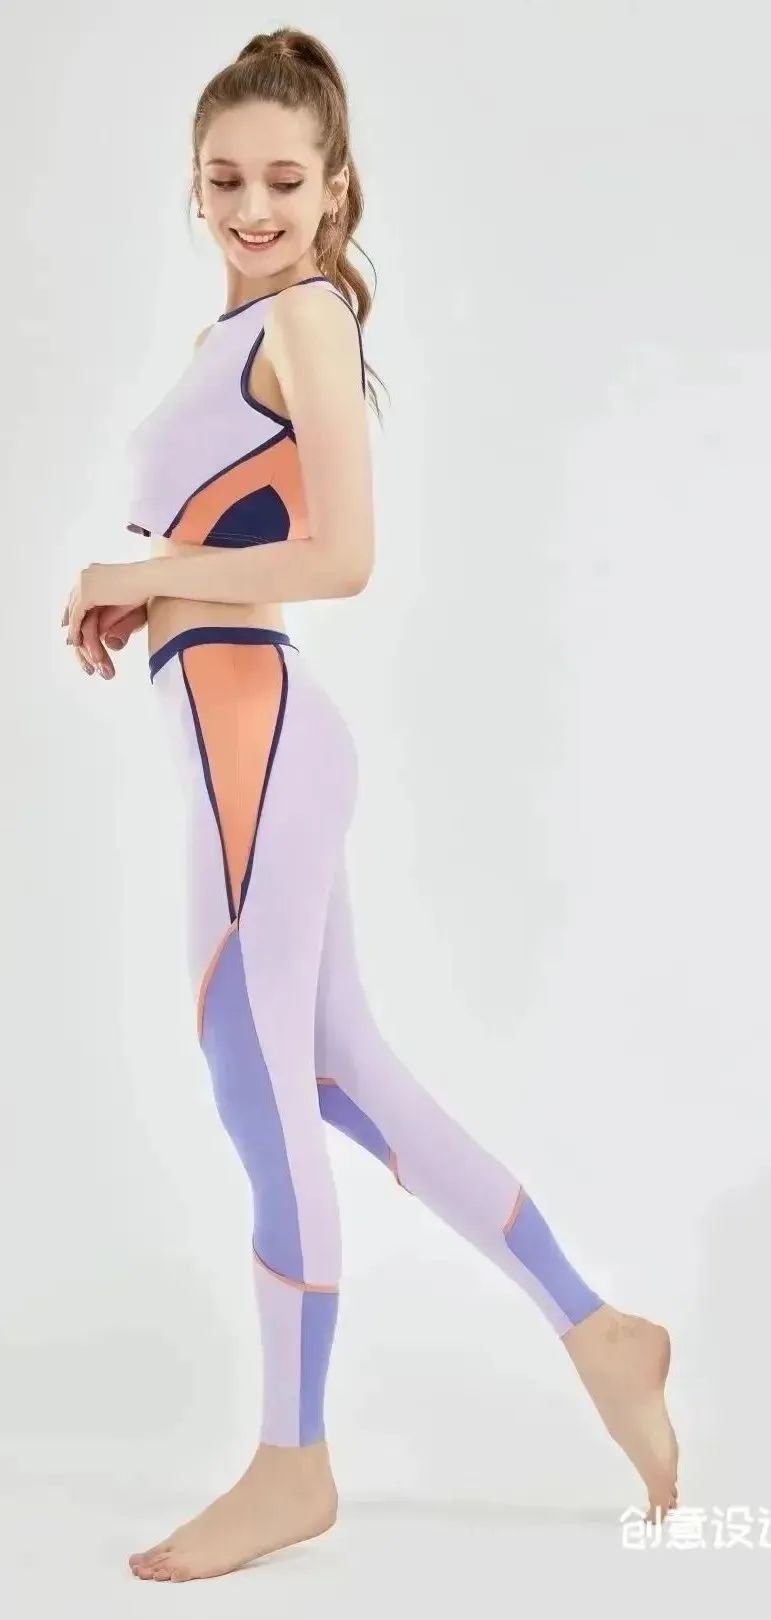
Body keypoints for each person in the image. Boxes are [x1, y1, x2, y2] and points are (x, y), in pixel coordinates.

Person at [62, 27, 678, 1586]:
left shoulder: (307, 317)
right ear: (193, 184)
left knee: (259, 1088)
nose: (252, 207)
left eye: (284, 179)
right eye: (224, 180)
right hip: (248, 733)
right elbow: (241, 534)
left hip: (256, 744)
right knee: (338, 1081)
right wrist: (151, 590)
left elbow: (343, 556)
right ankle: (600, 1330)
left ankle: (294, 1463)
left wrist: (142, 568)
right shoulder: (241, 329)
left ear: (337, 188)